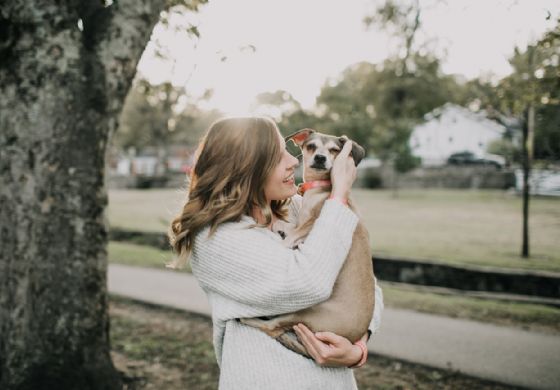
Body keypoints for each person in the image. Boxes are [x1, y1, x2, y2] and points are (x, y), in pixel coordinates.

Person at [169, 117, 383, 389]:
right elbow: (309, 283)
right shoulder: (215, 238)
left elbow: (366, 284)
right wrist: (339, 195)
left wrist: (357, 348)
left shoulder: (298, 208)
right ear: (246, 168)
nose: (293, 161)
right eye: (277, 156)